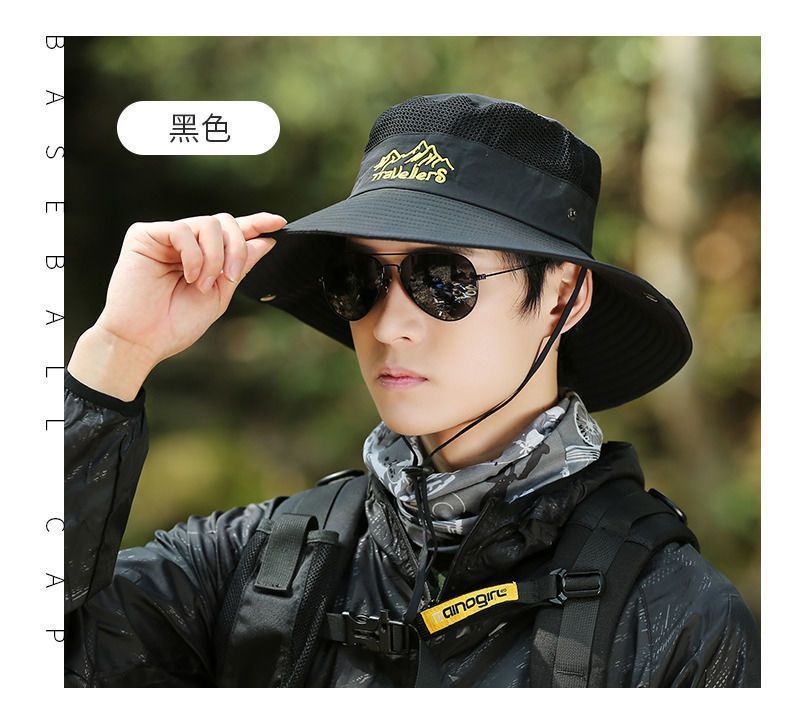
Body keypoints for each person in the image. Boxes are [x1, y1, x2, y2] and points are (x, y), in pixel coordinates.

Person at [64, 92, 760, 687]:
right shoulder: (255, 564)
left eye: (442, 279)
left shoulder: (675, 618)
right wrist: (116, 352)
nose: (388, 324)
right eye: (359, 279)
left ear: (564, 296)